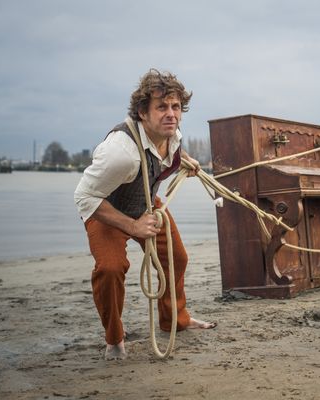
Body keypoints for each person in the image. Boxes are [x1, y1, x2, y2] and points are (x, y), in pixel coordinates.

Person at [74, 69, 216, 361]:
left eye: (175, 107)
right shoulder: (121, 152)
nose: (171, 114)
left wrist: (186, 160)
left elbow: (172, 146)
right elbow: (84, 196)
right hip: (106, 210)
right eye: (161, 107)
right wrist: (132, 226)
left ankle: (175, 319)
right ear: (142, 112)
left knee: (177, 258)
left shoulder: (171, 132)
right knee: (111, 269)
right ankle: (114, 339)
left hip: (147, 207)